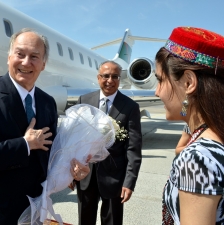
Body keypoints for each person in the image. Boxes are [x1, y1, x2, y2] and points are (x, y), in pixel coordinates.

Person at [0, 28, 89, 225]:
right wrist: (25, 144)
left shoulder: (47, 102)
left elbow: (49, 153)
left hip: (33, 209)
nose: (26, 62)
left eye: (35, 56)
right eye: (20, 54)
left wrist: (71, 170)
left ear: (43, 64)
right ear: (9, 57)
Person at [155, 27, 224, 225]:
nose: (156, 92)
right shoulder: (213, 135)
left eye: (160, 80)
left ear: (188, 83)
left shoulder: (198, 159)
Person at [75, 60, 142, 225]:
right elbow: (75, 139)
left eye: (115, 76)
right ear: (98, 78)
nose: (110, 80)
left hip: (114, 178)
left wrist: (129, 182)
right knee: (85, 220)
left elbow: (133, 148)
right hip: (85, 175)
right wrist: (71, 173)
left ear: (119, 79)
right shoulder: (84, 100)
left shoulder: (130, 106)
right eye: (105, 76)